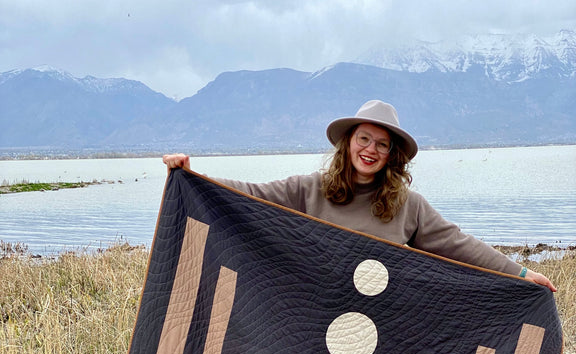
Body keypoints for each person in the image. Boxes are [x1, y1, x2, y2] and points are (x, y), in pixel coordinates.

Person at [163, 100, 556, 291]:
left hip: (380, 326)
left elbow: (459, 245)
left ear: (391, 155)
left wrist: (521, 274)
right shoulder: (308, 189)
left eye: (381, 144)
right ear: (348, 143)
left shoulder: (408, 207)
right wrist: (192, 175)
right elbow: (250, 195)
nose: (370, 149)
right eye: (364, 138)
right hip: (310, 317)